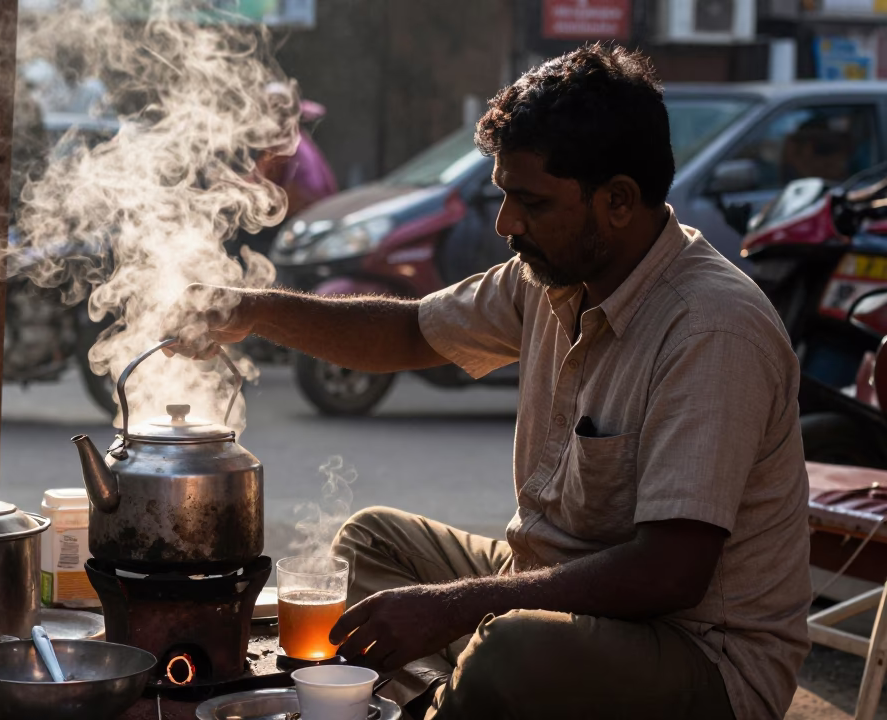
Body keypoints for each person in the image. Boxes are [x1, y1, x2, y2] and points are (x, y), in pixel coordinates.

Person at [169, 45, 809, 720]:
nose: (506, 224)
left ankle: (455, 694)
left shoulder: (710, 328)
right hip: (543, 599)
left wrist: (455, 606)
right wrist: (251, 309)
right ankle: (442, 702)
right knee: (373, 542)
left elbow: (672, 571)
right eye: (504, 195)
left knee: (508, 650)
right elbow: (411, 331)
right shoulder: (551, 277)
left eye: (529, 202)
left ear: (619, 200)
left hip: (699, 658)